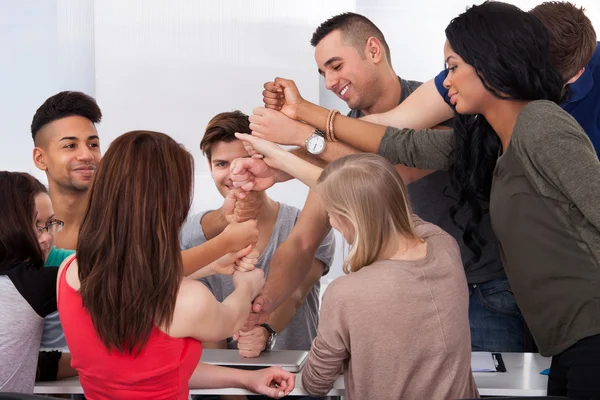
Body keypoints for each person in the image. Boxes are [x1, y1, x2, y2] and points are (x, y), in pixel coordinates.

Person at [256, 2, 600, 397]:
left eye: (453, 67)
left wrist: (299, 136)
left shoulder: (541, 123)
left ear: (490, 63)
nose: (445, 81)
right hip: (565, 340)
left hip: (581, 330)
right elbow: (399, 144)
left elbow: (387, 171)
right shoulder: (486, 141)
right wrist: (294, 136)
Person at [250, 12, 521, 351]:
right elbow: (303, 240)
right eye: (323, 73)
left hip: (480, 295)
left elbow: (391, 169)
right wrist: (261, 308)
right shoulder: (336, 134)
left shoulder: (446, 103)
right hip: (403, 301)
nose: (330, 82)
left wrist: (298, 140)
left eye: (336, 66)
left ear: (374, 51)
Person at [230, 137, 478, 399]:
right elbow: (376, 197)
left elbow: (316, 383)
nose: (333, 224)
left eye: (331, 215)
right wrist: (282, 162)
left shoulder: (346, 294)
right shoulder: (443, 247)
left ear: (349, 218)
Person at [57, 130, 295, 399]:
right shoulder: (186, 300)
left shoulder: (70, 271)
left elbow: (161, 369)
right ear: (168, 203)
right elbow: (232, 319)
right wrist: (247, 285)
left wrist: (247, 378)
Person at [180, 111, 334, 362]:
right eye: (222, 164)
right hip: (221, 380)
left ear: (264, 160)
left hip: (296, 376)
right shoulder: (192, 233)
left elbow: (297, 292)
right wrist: (233, 394)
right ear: (209, 167)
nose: (234, 173)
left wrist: (266, 331)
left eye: (244, 160)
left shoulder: (303, 223)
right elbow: (205, 326)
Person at [0, 172, 62, 392]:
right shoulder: (33, 284)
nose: (46, 238)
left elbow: (16, 355)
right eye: (36, 225)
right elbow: (114, 271)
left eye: (51, 223)